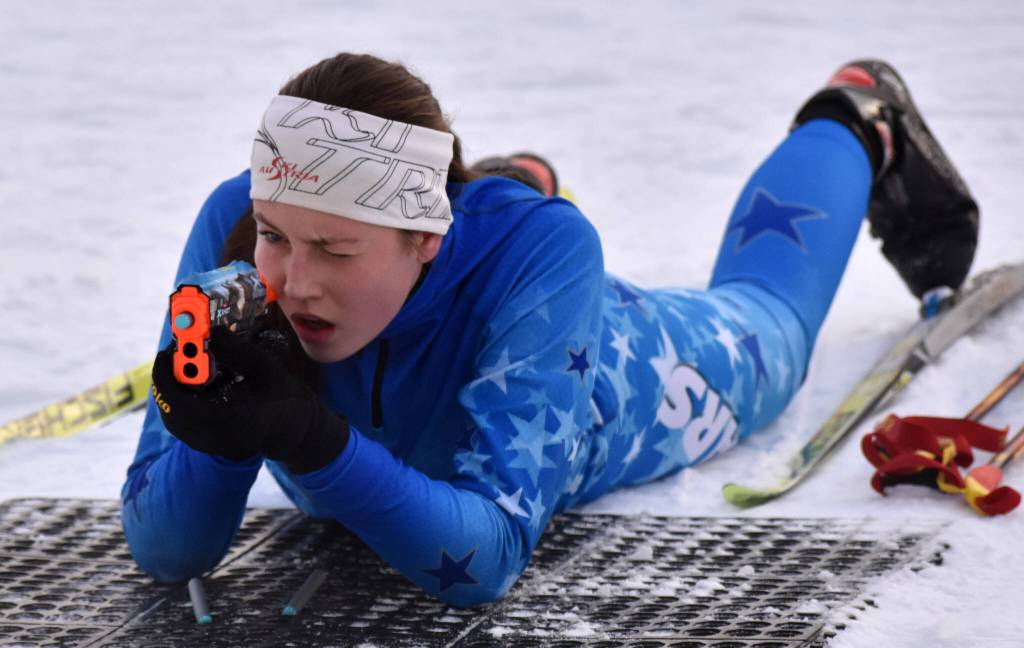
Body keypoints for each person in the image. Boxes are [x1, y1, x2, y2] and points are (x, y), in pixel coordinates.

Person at [121, 53, 978, 607]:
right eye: (277, 236)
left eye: (336, 250)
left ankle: (857, 117)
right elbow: (165, 552)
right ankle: (500, 189)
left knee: (771, 323)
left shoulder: (547, 250)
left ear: (427, 237)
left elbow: (486, 556)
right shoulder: (233, 228)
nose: (295, 282)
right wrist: (218, 434)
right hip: (484, 283)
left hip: (623, 371)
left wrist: (311, 441)